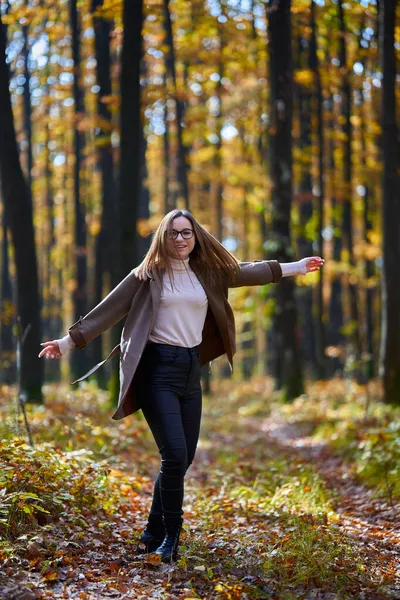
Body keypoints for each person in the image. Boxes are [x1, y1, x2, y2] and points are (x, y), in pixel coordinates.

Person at [38, 209, 324, 563]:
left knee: (183, 458)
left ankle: (151, 529)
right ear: (163, 237)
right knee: (173, 455)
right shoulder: (146, 275)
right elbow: (108, 310)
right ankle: (171, 537)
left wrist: (297, 266)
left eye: (186, 233)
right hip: (157, 371)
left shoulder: (207, 272)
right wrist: (66, 342)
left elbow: (248, 271)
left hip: (191, 370)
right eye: (173, 233)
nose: (180, 239)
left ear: (196, 236)